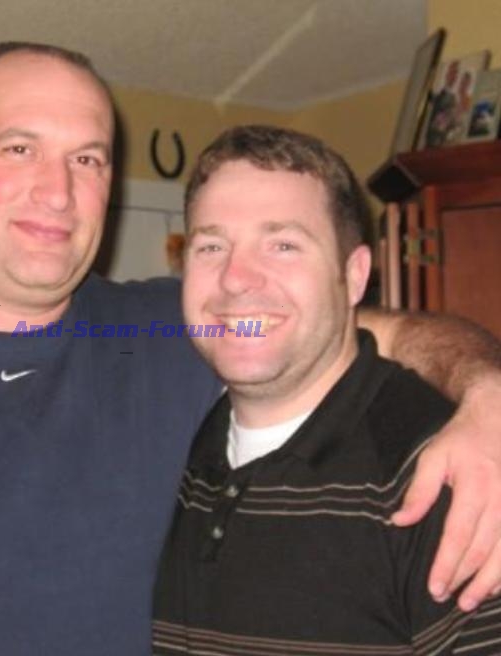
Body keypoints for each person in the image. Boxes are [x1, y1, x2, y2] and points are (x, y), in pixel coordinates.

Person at [0, 41, 501, 653]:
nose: (57, 190)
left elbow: (363, 331)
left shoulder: (172, 330)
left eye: (87, 159)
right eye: (19, 148)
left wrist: (487, 393)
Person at [153, 125, 501, 654]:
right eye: (212, 245)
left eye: (283, 244)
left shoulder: (448, 477)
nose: (235, 277)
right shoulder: (184, 429)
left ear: (354, 275)